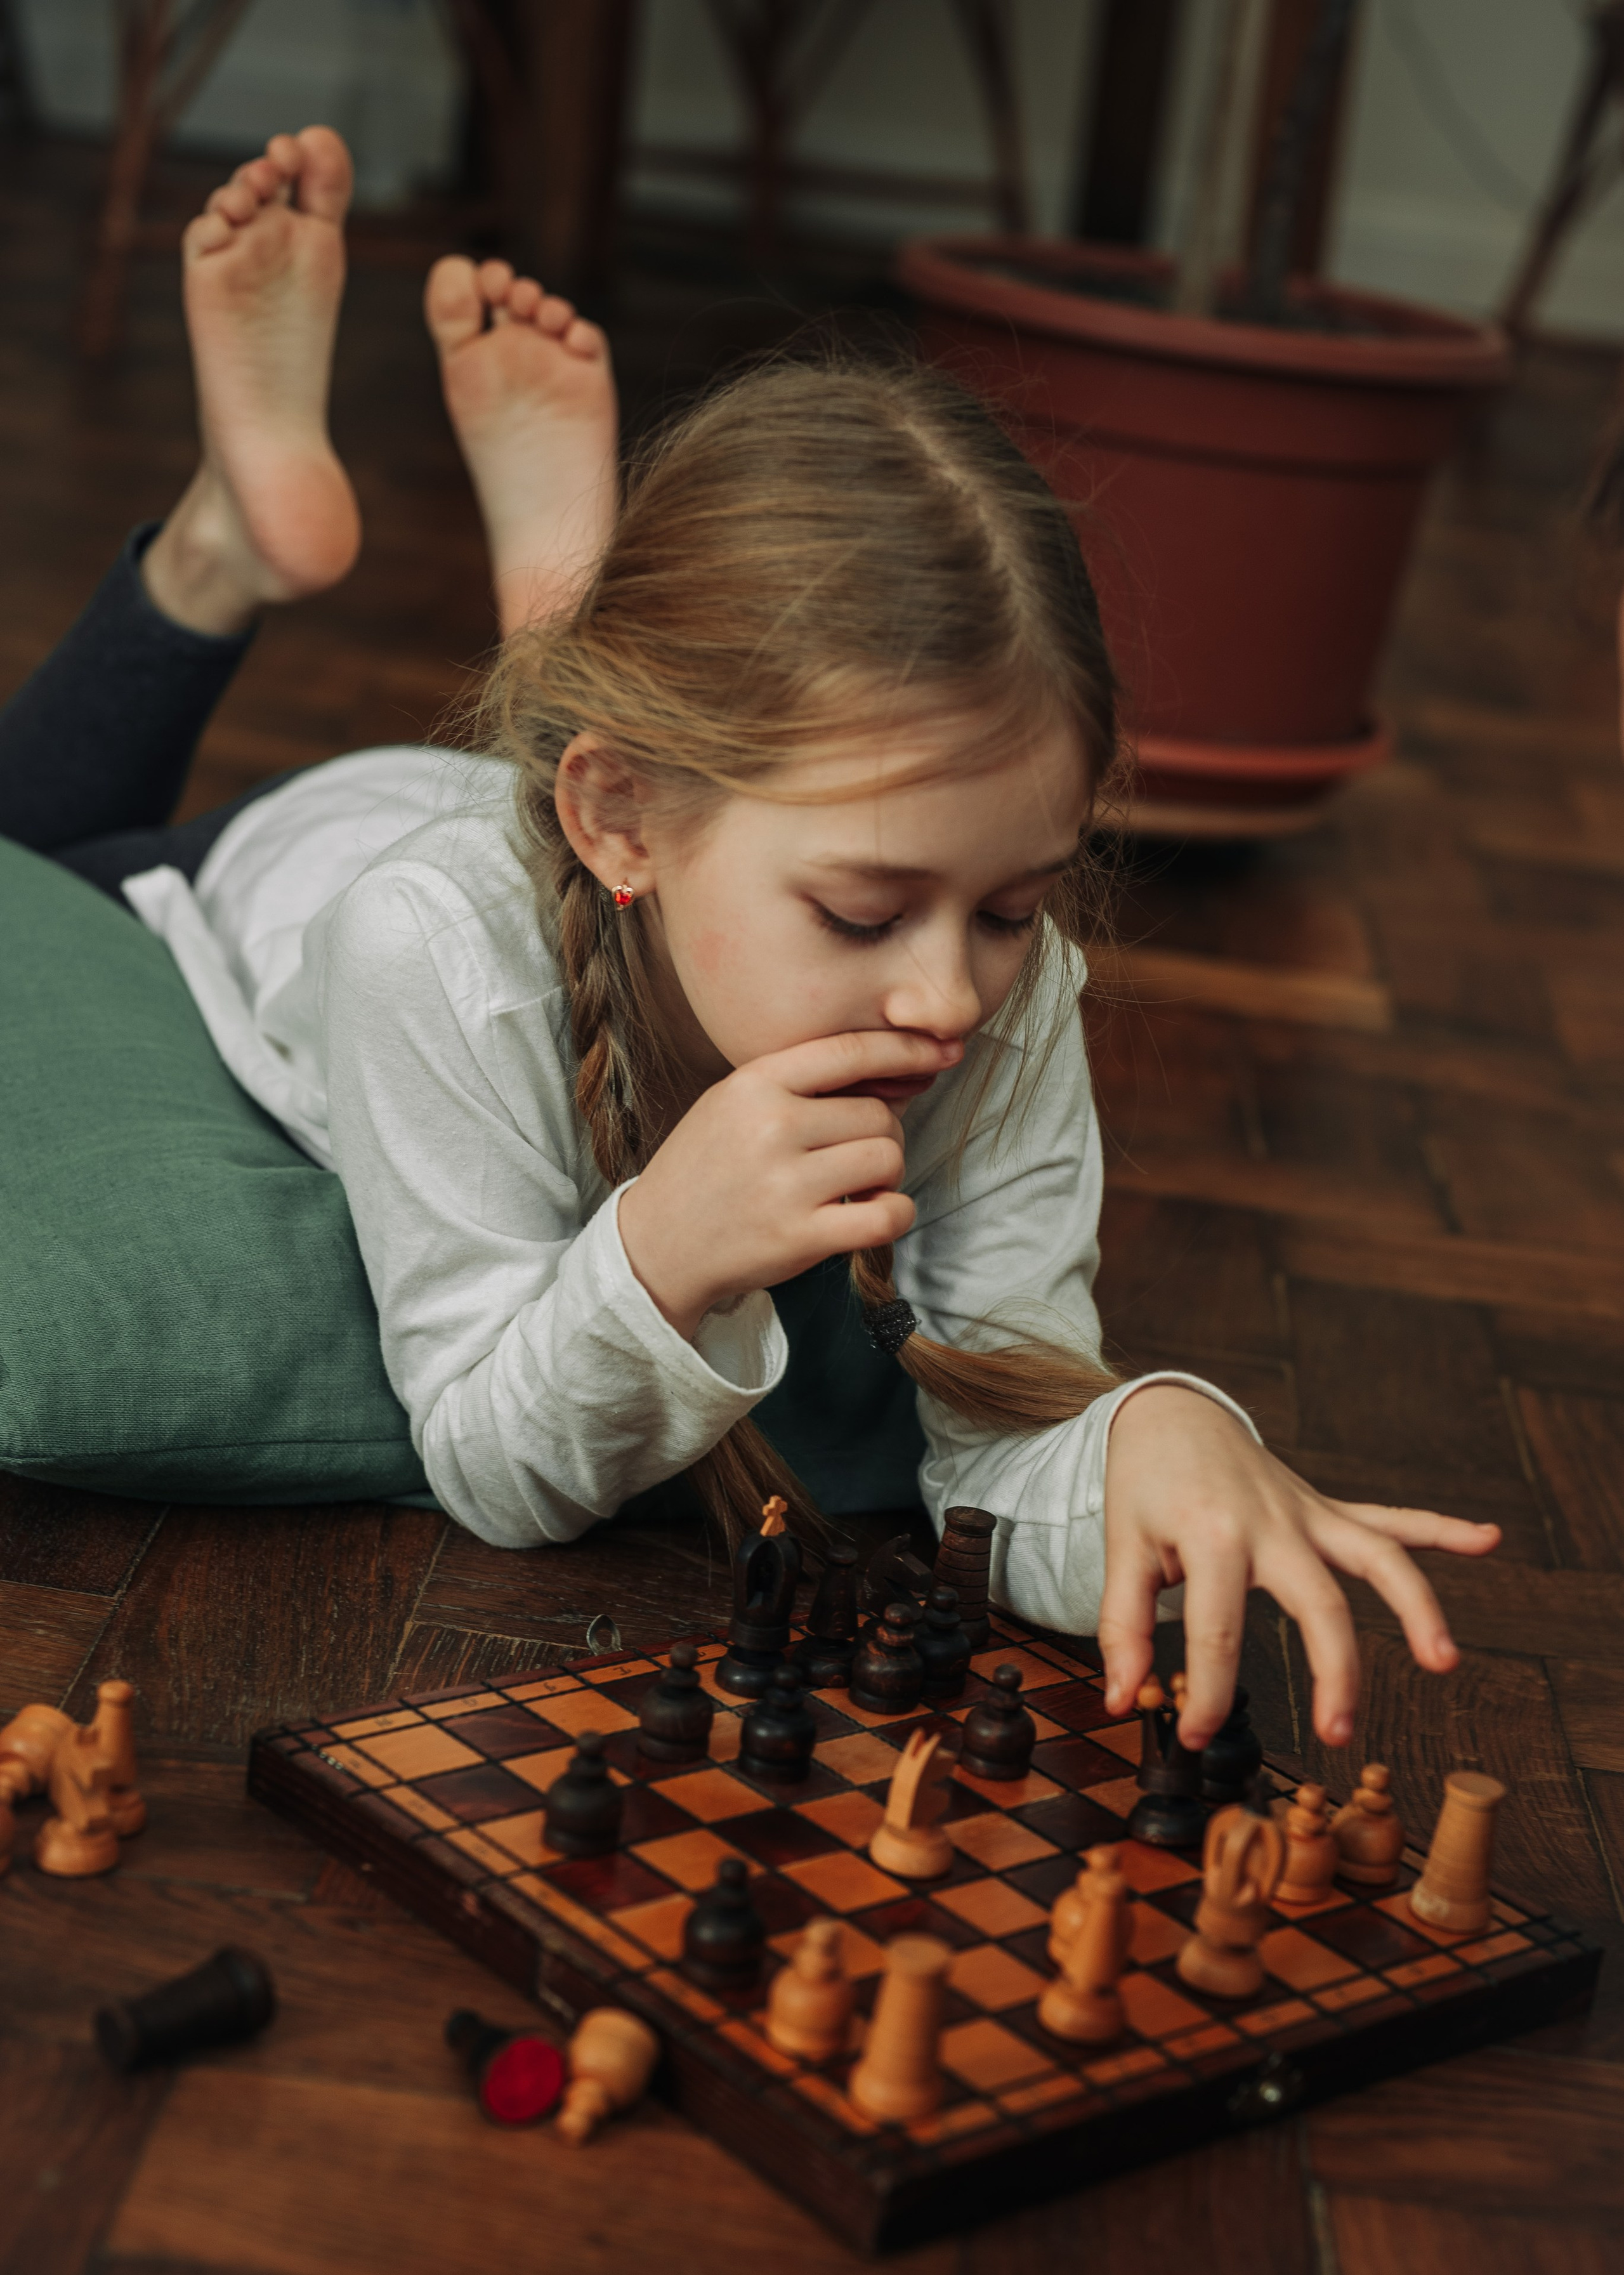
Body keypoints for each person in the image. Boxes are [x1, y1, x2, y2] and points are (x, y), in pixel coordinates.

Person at [0, 128, 1500, 1754]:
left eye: (1010, 906)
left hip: (617, 817)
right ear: (622, 826)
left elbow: (997, 1429)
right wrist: (661, 1253)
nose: (946, 994)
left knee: (693, 812)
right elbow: (491, 1468)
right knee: (31, 849)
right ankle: (232, 541)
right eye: (860, 913)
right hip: (319, 852)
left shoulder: (1008, 990)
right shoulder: (420, 947)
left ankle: (564, 621)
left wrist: (1154, 1434)